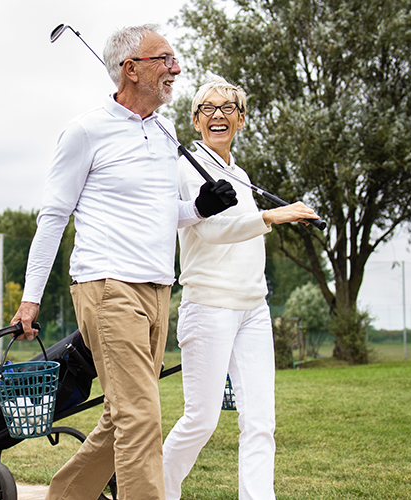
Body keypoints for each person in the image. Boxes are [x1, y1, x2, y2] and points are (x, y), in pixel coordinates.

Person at [9, 25, 237, 500]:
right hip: (108, 287)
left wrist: (201, 207)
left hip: (157, 289)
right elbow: (53, 216)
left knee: (122, 416)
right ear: (130, 69)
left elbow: (161, 212)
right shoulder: (86, 131)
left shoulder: (163, 130)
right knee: (141, 417)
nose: (175, 68)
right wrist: (30, 298)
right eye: (164, 59)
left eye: (174, 59)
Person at [161, 75, 318, 500]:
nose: (218, 115)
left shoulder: (240, 174)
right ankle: (154, 491)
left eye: (228, 108)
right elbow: (212, 231)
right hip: (208, 305)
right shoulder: (187, 168)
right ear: (195, 121)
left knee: (261, 422)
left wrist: (268, 217)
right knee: (201, 420)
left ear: (242, 120)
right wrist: (271, 217)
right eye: (207, 109)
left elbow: (241, 230)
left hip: (254, 308)